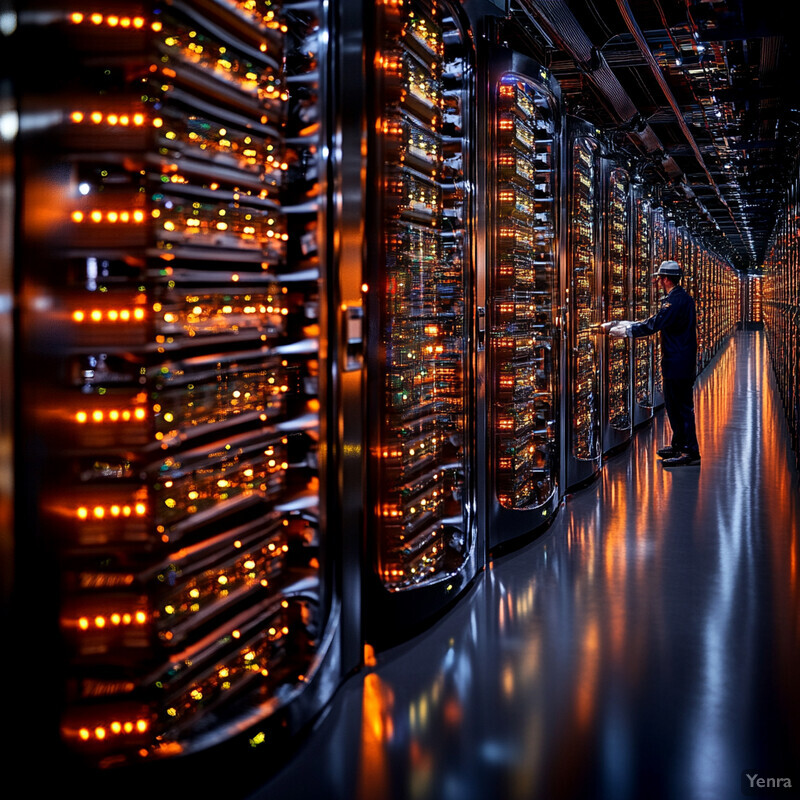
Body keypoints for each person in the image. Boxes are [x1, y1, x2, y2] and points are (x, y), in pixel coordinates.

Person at [601, 260, 701, 468]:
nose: (657, 281)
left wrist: (627, 331)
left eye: (659, 278)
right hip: (680, 361)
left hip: (678, 363)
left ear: (665, 279)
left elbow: (655, 324)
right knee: (674, 407)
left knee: (681, 408)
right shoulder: (682, 298)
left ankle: (690, 451)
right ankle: (680, 444)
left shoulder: (674, 302)